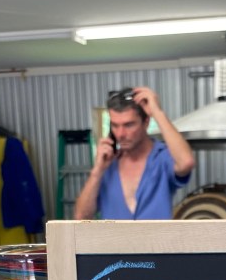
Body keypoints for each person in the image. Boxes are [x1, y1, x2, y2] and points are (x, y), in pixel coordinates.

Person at [74, 85, 195, 221]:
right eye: (115, 125)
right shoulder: (107, 165)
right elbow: (81, 217)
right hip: (113, 236)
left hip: (156, 236)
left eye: (129, 125)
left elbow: (186, 162)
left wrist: (157, 112)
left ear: (146, 122)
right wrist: (97, 172)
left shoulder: (161, 157)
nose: (120, 134)